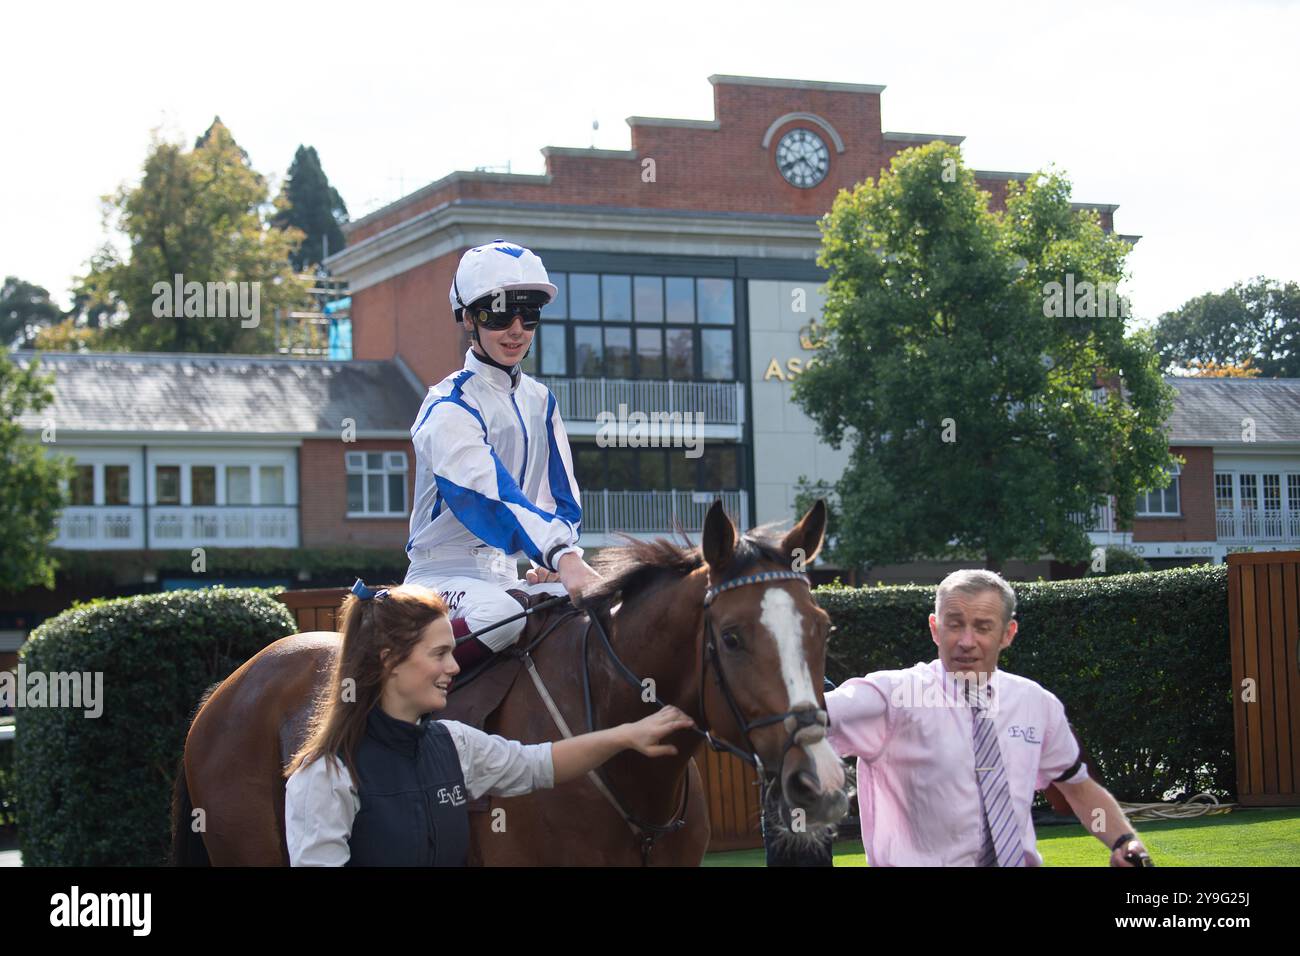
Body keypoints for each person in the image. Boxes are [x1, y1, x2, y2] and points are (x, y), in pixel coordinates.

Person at [284, 581, 693, 866]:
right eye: (440, 653)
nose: (454, 666)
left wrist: (626, 736)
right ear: (390, 660)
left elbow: (539, 764)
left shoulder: (454, 745)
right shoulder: (325, 775)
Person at [825, 569, 1152, 867]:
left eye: (982, 627)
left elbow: (1078, 790)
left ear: (1007, 633)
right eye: (954, 624)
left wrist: (1123, 841)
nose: (967, 641)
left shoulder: (1036, 703)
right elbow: (803, 718)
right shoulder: (889, 696)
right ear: (934, 629)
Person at [404, 239, 601, 670]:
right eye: (498, 313)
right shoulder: (447, 406)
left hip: (507, 575)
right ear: (469, 319)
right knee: (502, 616)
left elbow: (560, 501)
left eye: (527, 314)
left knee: (598, 613)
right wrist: (561, 556)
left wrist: (554, 556)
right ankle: (405, 701)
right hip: (437, 579)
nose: (516, 329)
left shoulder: (541, 400)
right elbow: (489, 495)